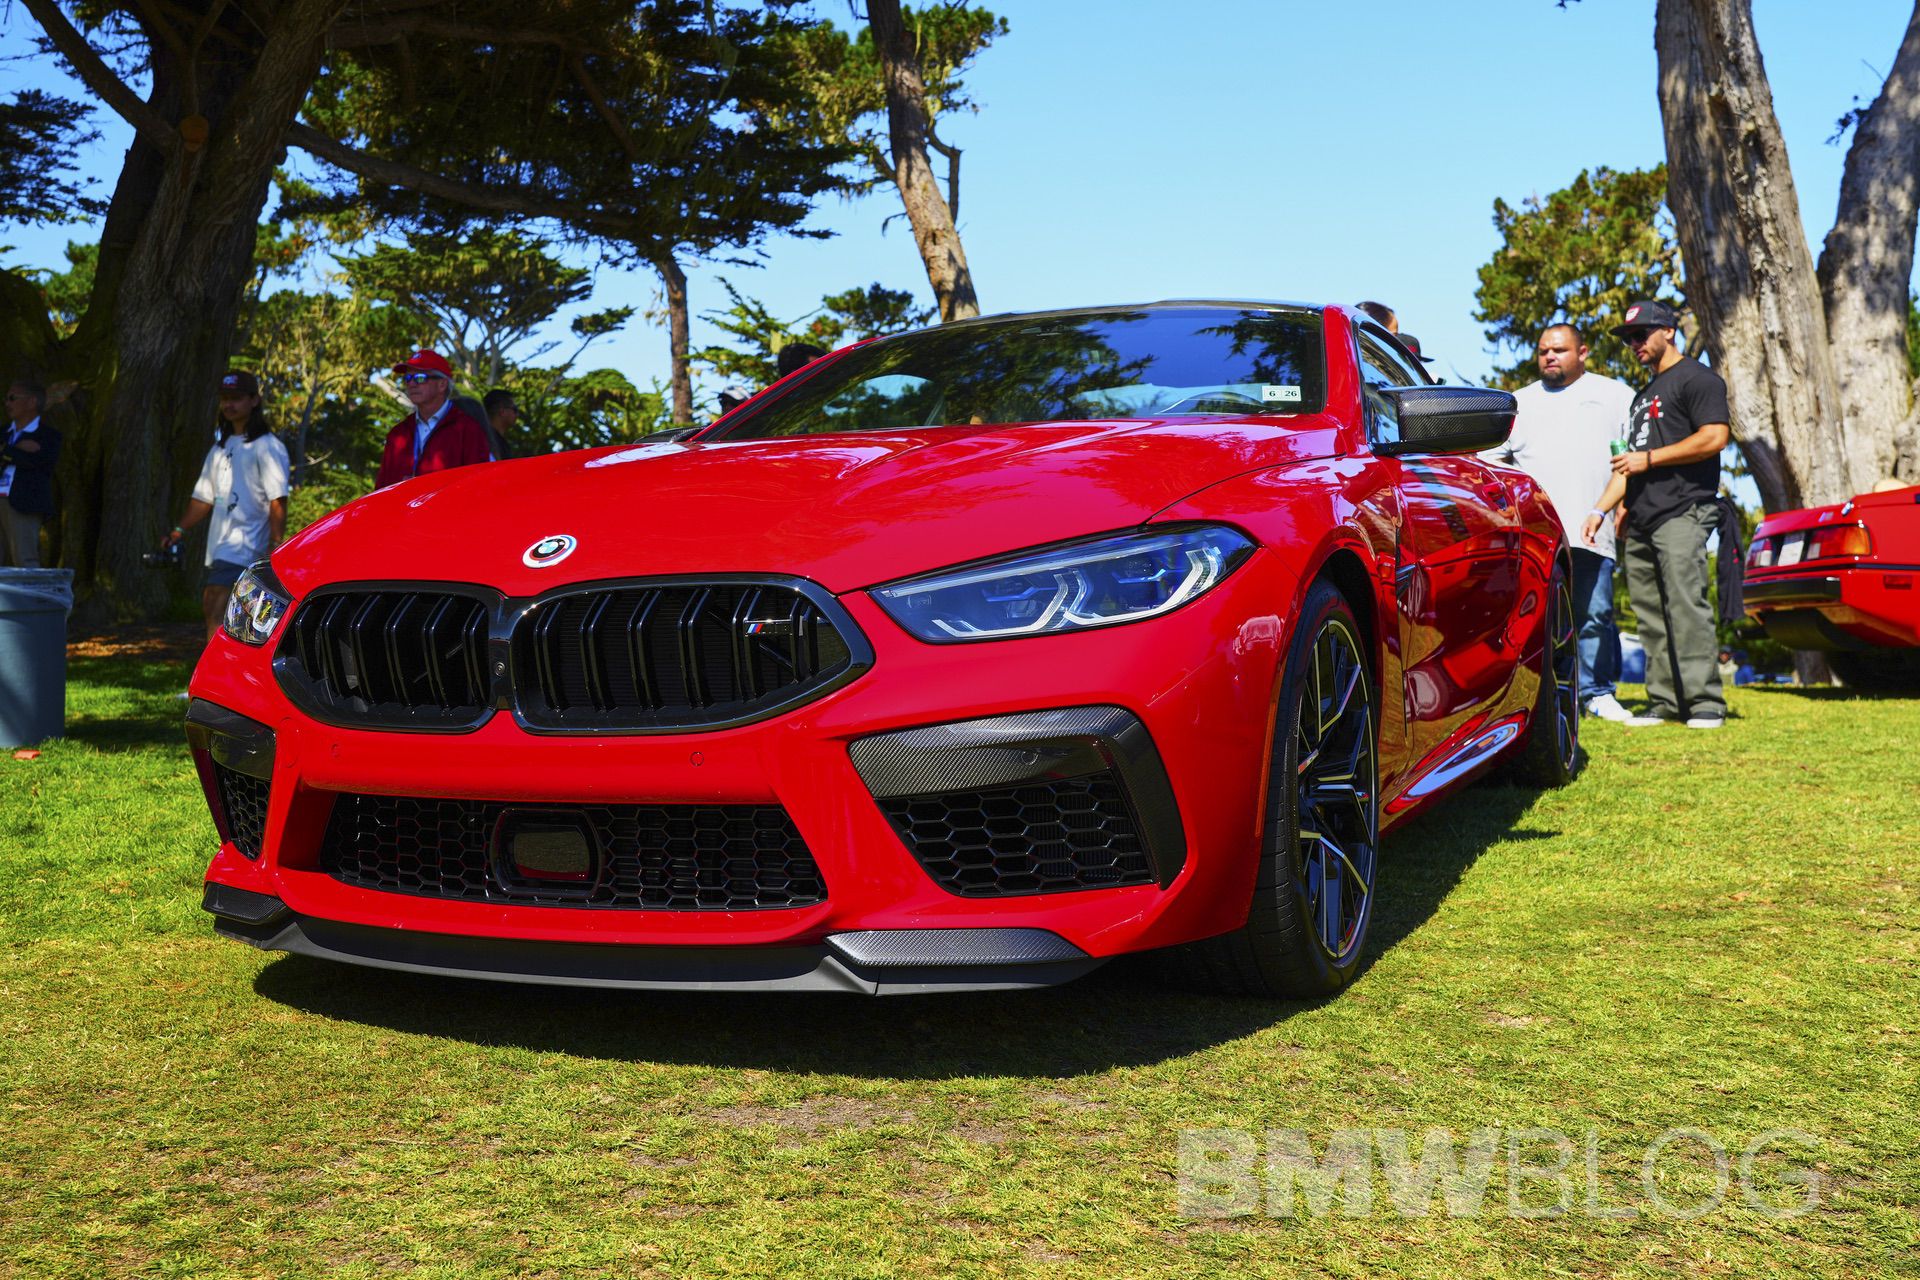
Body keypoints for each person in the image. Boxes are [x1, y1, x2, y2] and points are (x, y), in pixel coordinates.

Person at [1581, 299, 1731, 729]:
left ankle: (1704, 704)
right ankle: (1664, 702)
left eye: (1641, 334)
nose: (1634, 343)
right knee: (1649, 616)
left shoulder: (1698, 379)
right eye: (1629, 338)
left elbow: (1715, 436)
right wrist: (1603, 510)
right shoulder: (1643, 396)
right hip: (1641, 519)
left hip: (1683, 509)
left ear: (1668, 331)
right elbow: (1627, 464)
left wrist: (1649, 459)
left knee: (1686, 607)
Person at [1485, 323, 1637, 722]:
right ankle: (1542, 696)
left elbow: (1632, 458)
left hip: (1591, 528)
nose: (1549, 356)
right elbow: (1493, 460)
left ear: (1583, 352)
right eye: (1543, 351)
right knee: (1536, 620)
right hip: (1535, 537)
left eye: (1559, 350)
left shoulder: (1615, 395)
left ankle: (1596, 693)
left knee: (1594, 615)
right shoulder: (1518, 403)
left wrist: (1619, 506)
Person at [163, 371, 291, 642]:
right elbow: (203, 498)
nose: (229, 404)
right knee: (229, 615)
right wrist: (178, 530)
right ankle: (229, 665)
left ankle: (214, 665)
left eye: (237, 398)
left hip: (247, 543)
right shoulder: (220, 448)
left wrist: (275, 543)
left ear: (254, 400)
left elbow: (278, 499)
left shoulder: (268, 446)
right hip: (221, 544)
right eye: (225, 398)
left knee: (215, 602)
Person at [374, 350, 492, 489]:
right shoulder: (398, 434)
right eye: (407, 378)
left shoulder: (468, 429)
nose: (411, 384)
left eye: (420, 378)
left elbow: (478, 486)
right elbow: (381, 490)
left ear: (442, 384)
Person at [1, 379, 61, 568]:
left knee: (24, 559)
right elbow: (21, 458)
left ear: (32, 401)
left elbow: (37, 463)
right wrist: (16, 449)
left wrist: (6, 452)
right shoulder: (3, 432)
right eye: (6, 399)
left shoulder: (49, 436)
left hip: (23, 503)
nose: (7, 403)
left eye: (12, 398)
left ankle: (31, 589)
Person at [482, 389, 518, 461]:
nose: (517, 414)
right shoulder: (489, 441)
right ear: (502, 411)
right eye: (515, 409)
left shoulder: (480, 436)